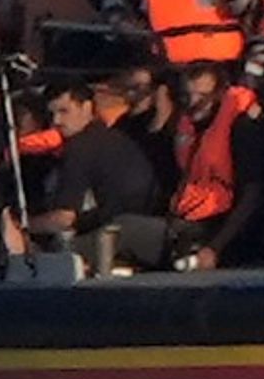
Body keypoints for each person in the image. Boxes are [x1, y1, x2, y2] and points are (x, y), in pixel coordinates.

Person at [10, 82, 163, 262]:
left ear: (87, 107)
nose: (56, 121)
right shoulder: (114, 138)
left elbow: (64, 218)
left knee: (45, 256)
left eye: (64, 111)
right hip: (153, 231)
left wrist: (21, 226)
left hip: (114, 237)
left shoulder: (80, 147)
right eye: (51, 114)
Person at [169, 62, 264, 268]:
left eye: (202, 97)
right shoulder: (186, 127)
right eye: (187, 96)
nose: (193, 103)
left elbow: (253, 194)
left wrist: (215, 247)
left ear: (219, 95)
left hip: (223, 231)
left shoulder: (241, 129)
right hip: (186, 222)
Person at [107, 62, 181, 203]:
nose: (131, 91)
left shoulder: (166, 119)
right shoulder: (123, 121)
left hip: (154, 191)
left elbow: (158, 144)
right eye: (129, 85)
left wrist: (162, 107)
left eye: (140, 87)